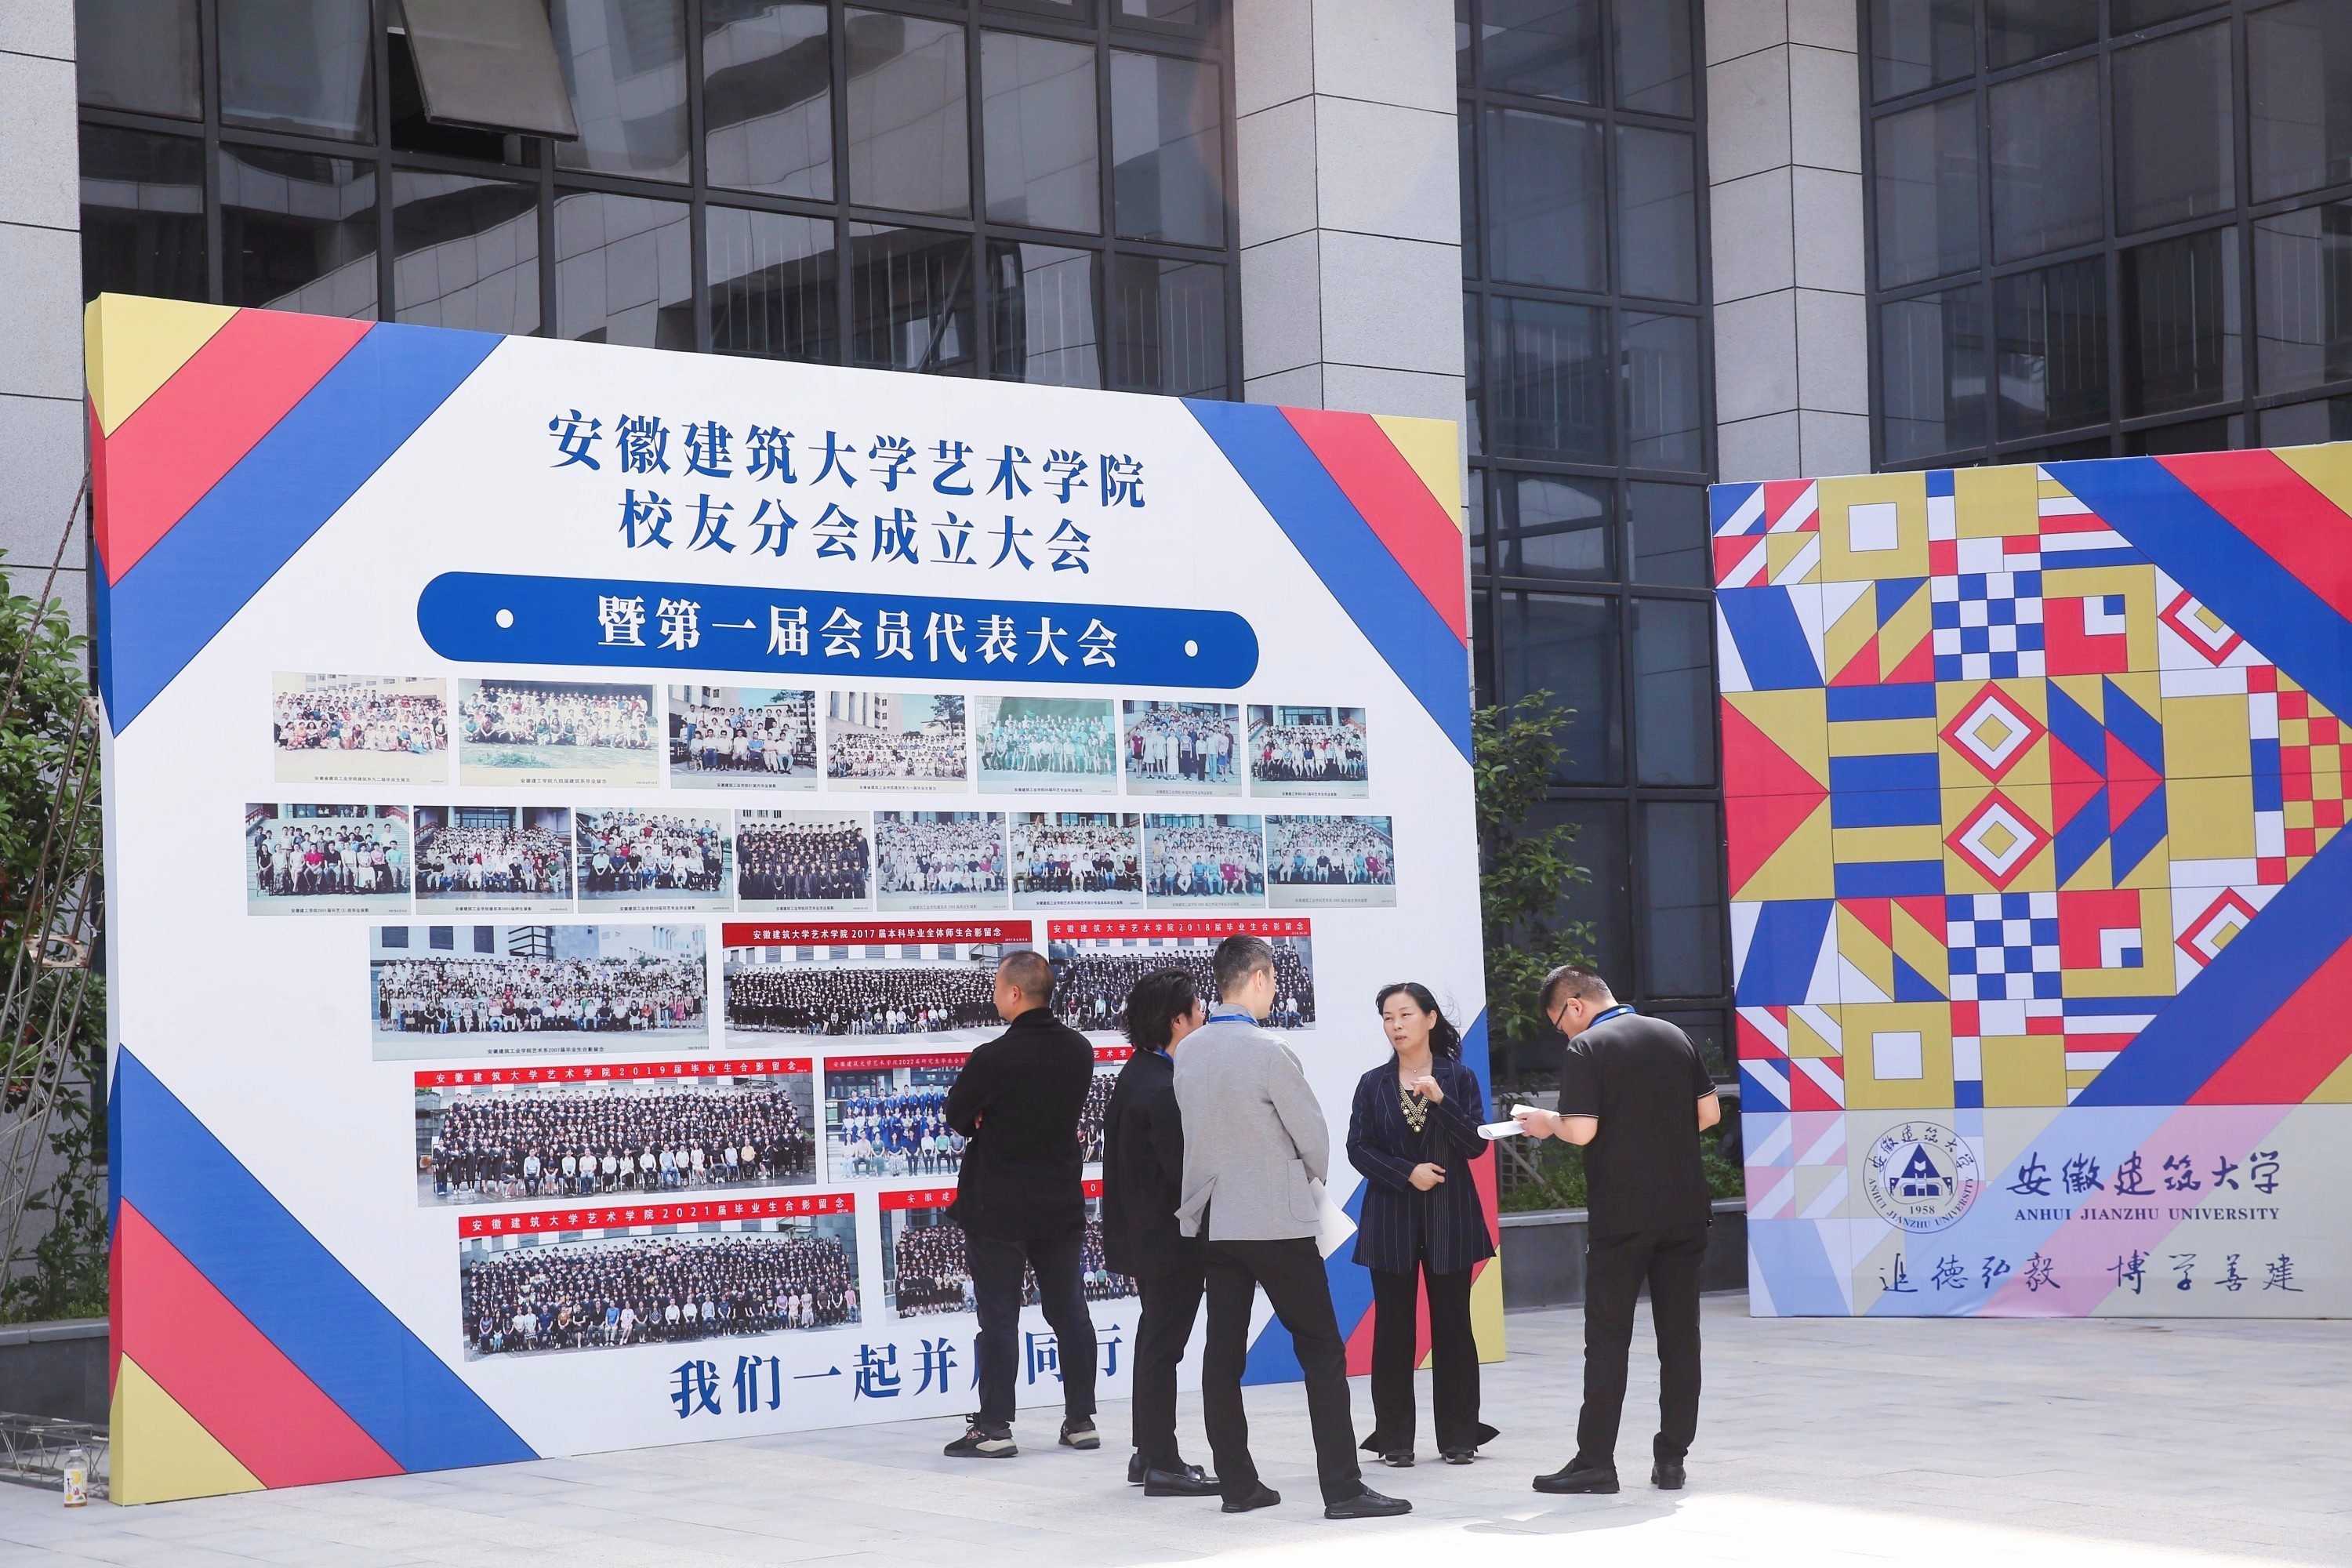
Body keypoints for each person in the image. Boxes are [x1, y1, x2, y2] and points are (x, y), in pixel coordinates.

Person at [1172, 935, 1410, 1521]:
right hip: (1275, 1221)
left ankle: (1238, 1485)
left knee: (1222, 1355)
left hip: (1214, 1220)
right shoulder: (1270, 1049)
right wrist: (1300, 1180)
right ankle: (1344, 1490)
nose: (1275, 990)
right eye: (1274, 980)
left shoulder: (1189, 1051)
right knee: (1322, 1352)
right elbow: (1313, 1139)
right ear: (1258, 978)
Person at [1512, 966, 1721, 1495]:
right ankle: (1672, 1460)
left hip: (1623, 1215)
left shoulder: (1588, 1048)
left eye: (1559, 1023)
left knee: (1607, 1339)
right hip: (1685, 1210)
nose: (1563, 1033)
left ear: (1575, 1005)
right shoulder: (1673, 1035)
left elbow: (1581, 1130)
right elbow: (1709, 1113)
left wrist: (1545, 1122)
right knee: (1680, 1338)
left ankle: (1596, 1463)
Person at [941, 950, 1101, 1459]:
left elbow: (957, 1116)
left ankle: (994, 1427)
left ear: (1014, 993)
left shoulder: (993, 1058)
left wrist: (984, 1115)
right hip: (1059, 1202)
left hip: (998, 1206)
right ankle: (1081, 1420)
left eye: (997, 987)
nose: (994, 996)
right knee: (1070, 1312)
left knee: (999, 1317)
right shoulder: (1079, 1050)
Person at [1345, 982, 1497, 1468]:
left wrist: (1441, 1101)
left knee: (1453, 1326)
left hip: (1451, 1218)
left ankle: (1459, 1437)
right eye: (1388, 1018)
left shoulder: (1459, 1077)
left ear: (1430, 1019)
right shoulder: (1372, 1083)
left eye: (1405, 1015)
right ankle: (1395, 1439)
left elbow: (1476, 1144)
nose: (1396, 1026)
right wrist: (1406, 1172)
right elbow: (1357, 1148)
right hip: (1390, 1220)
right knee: (1393, 1330)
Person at [1101, 968, 1219, 1498]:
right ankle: (1163, 1463)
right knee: (1162, 1349)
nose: (1204, 1016)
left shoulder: (1140, 1073)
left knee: (1154, 1342)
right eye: (1198, 1009)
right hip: (1170, 1240)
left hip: (1146, 1236)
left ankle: (1148, 1453)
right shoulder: (1162, 1086)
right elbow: (1184, 1174)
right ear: (1178, 1020)